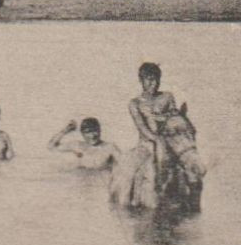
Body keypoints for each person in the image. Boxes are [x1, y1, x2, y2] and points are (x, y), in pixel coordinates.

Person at [116, 62, 204, 210]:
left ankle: (194, 205)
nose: (153, 83)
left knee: (192, 171)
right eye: (149, 80)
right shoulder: (135, 103)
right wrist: (157, 139)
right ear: (141, 81)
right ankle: (125, 206)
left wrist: (170, 119)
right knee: (129, 170)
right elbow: (142, 127)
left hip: (169, 141)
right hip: (146, 144)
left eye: (156, 79)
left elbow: (174, 119)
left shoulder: (167, 97)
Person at [48, 117, 119, 171]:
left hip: (99, 185)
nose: (92, 135)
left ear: (100, 131)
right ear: (82, 133)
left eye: (95, 131)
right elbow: (51, 146)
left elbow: (125, 165)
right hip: (80, 185)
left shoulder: (110, 148)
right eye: (88, 132)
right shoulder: (78, 146)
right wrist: (65, 131)